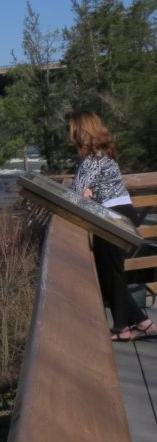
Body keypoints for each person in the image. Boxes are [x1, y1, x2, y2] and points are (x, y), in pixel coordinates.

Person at [68, 111, 156, 341]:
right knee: (111, 272)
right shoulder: (104, 154)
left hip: (110, 216)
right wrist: (86, 193)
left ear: (81, 131)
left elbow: (75, 194)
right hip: (122, 214)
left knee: (110, 273)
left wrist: (84, 194)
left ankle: (140, 325)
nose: (71, 135)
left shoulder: (92, 160)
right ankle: (126, 326)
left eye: (73, 130)